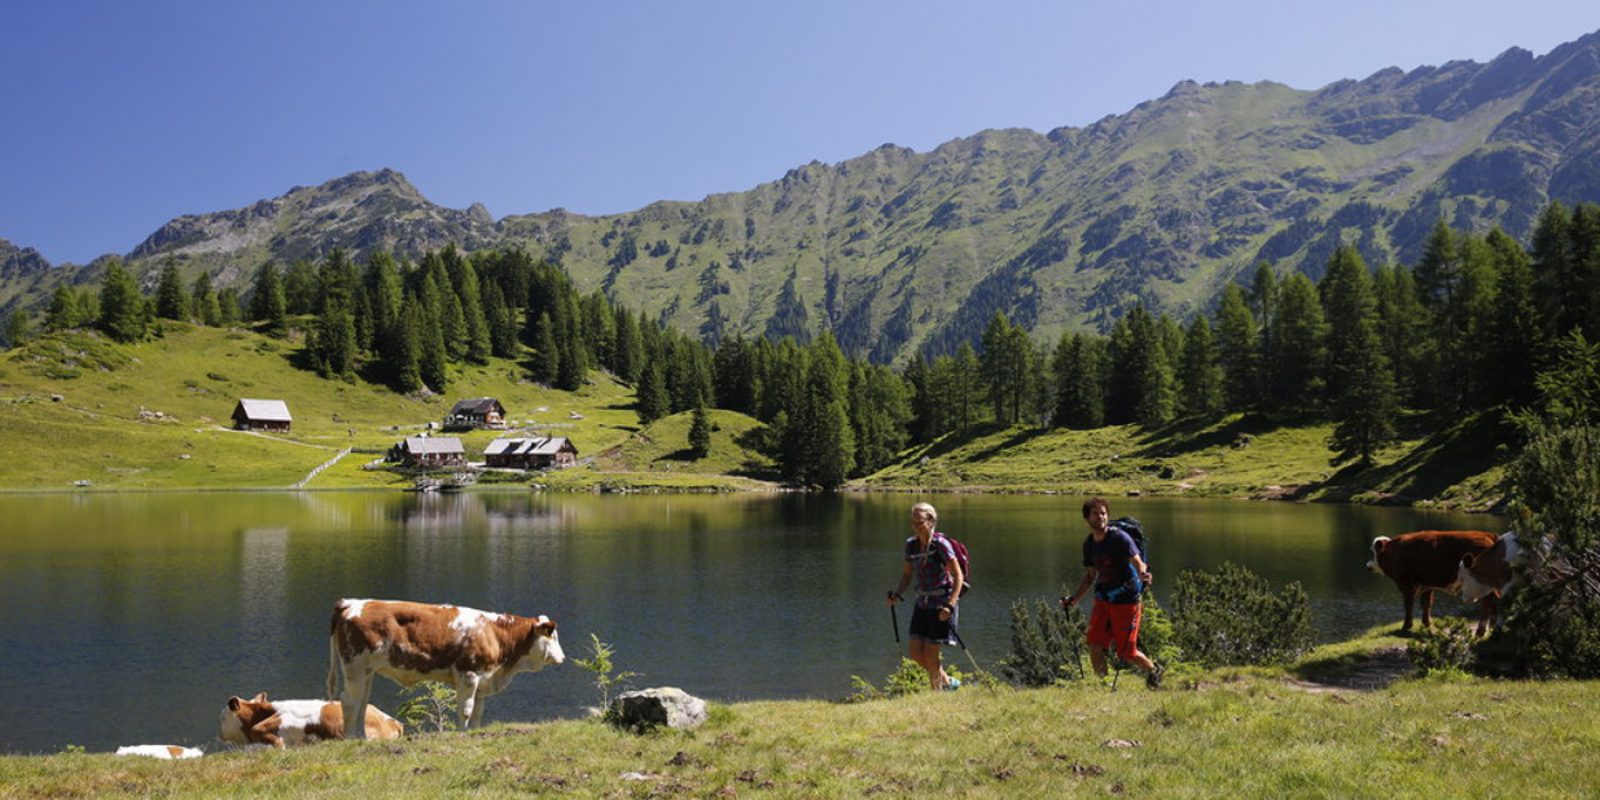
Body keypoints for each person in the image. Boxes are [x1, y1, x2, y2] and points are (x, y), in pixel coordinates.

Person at [1061, 497, 1164, 689]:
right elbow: (1091, 576)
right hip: (1103, 600)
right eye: (1095, 513)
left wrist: (1143, 572)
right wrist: (1074, 600)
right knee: (1094, 644)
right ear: (1087, 518)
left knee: (1126, 652)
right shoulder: (1089, 544)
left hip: (1127, 601)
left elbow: (1137, 560)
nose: (1100, 517)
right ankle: (1105, 687)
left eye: (1103, 513)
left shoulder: (1119, 538)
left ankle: (1153, 670)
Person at [887, 501, 964, 690]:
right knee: (915, 654)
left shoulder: (941, 545)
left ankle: (937, 694)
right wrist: (897, 594)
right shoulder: (911, 545)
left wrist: (951, 605)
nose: (915, 526)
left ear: (931, 521)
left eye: (919, 522)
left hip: (941, 605)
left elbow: (958, 575)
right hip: (922, 603)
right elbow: (907, 574)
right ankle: (949, 683)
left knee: (930, 655)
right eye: (913, 522)